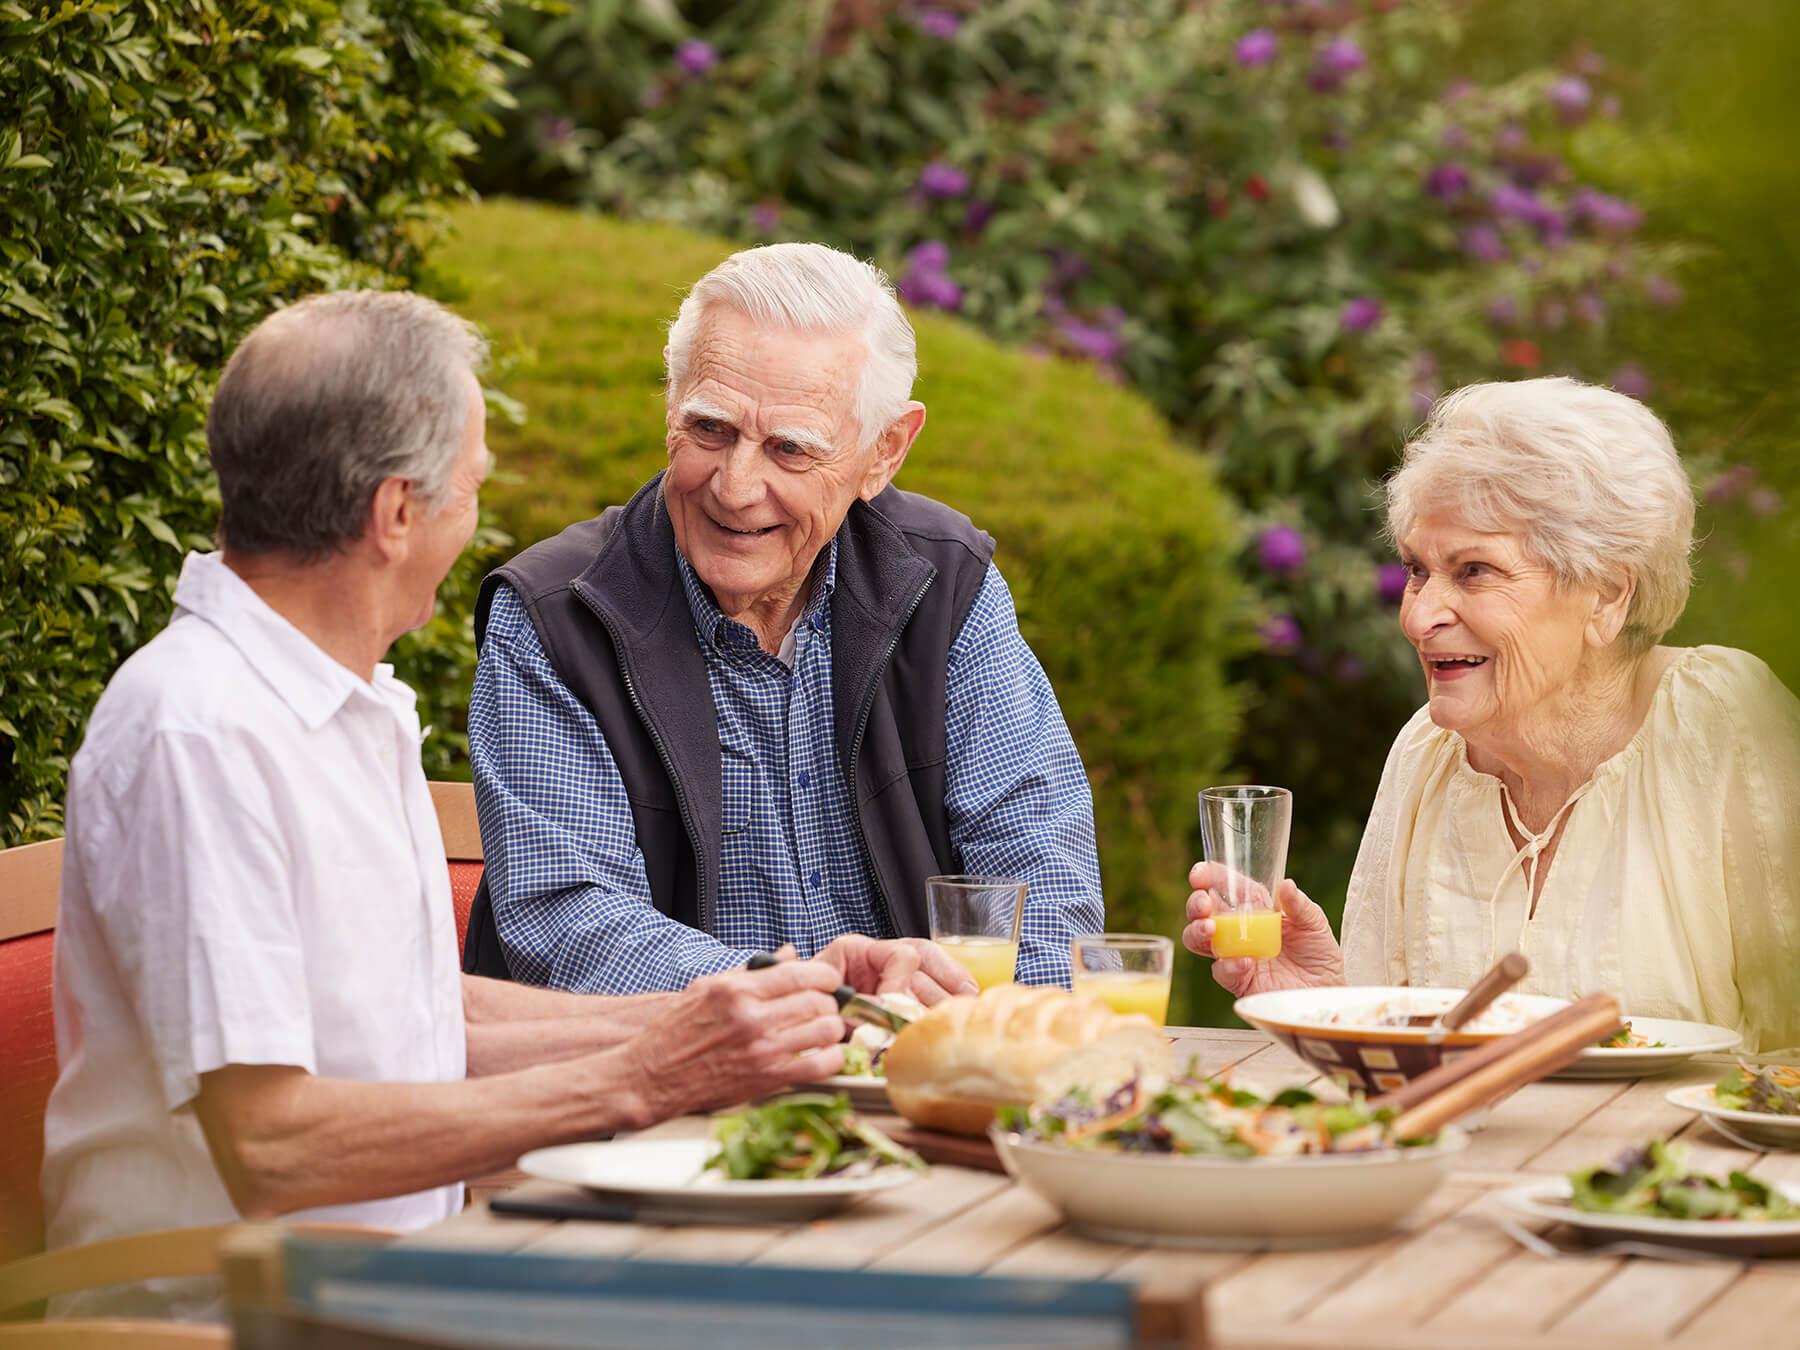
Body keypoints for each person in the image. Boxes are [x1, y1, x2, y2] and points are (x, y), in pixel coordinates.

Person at [42, 290, 959, 1322]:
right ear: (397, 513)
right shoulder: (200, 735)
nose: (478, 518)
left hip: (395, 1294)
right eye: (472, 486)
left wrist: (784, 1004)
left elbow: (426, 1015)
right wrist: (648, 1078)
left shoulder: (342, 702)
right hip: (226, 1323)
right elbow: (270, 1148)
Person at [463, 242, 1104, 995]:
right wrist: (818, 1002)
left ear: (885, 452)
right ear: (671, 406)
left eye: (790, 449)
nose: (736, 488)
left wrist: (973, 1040)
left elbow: (1042, 889)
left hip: (920, 1082)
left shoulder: (945, 584)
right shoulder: (555, 618)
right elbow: (571, 928)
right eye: (710, 429)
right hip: (652, 1094)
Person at [1183, 377, 1800, 1053]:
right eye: (1417, 570)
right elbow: (1403, 1074)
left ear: (1606, 596)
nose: (1419, 616)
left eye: (1475, 571)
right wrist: (1323, 1005)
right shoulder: (1428, 753)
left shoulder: (1723, 725)